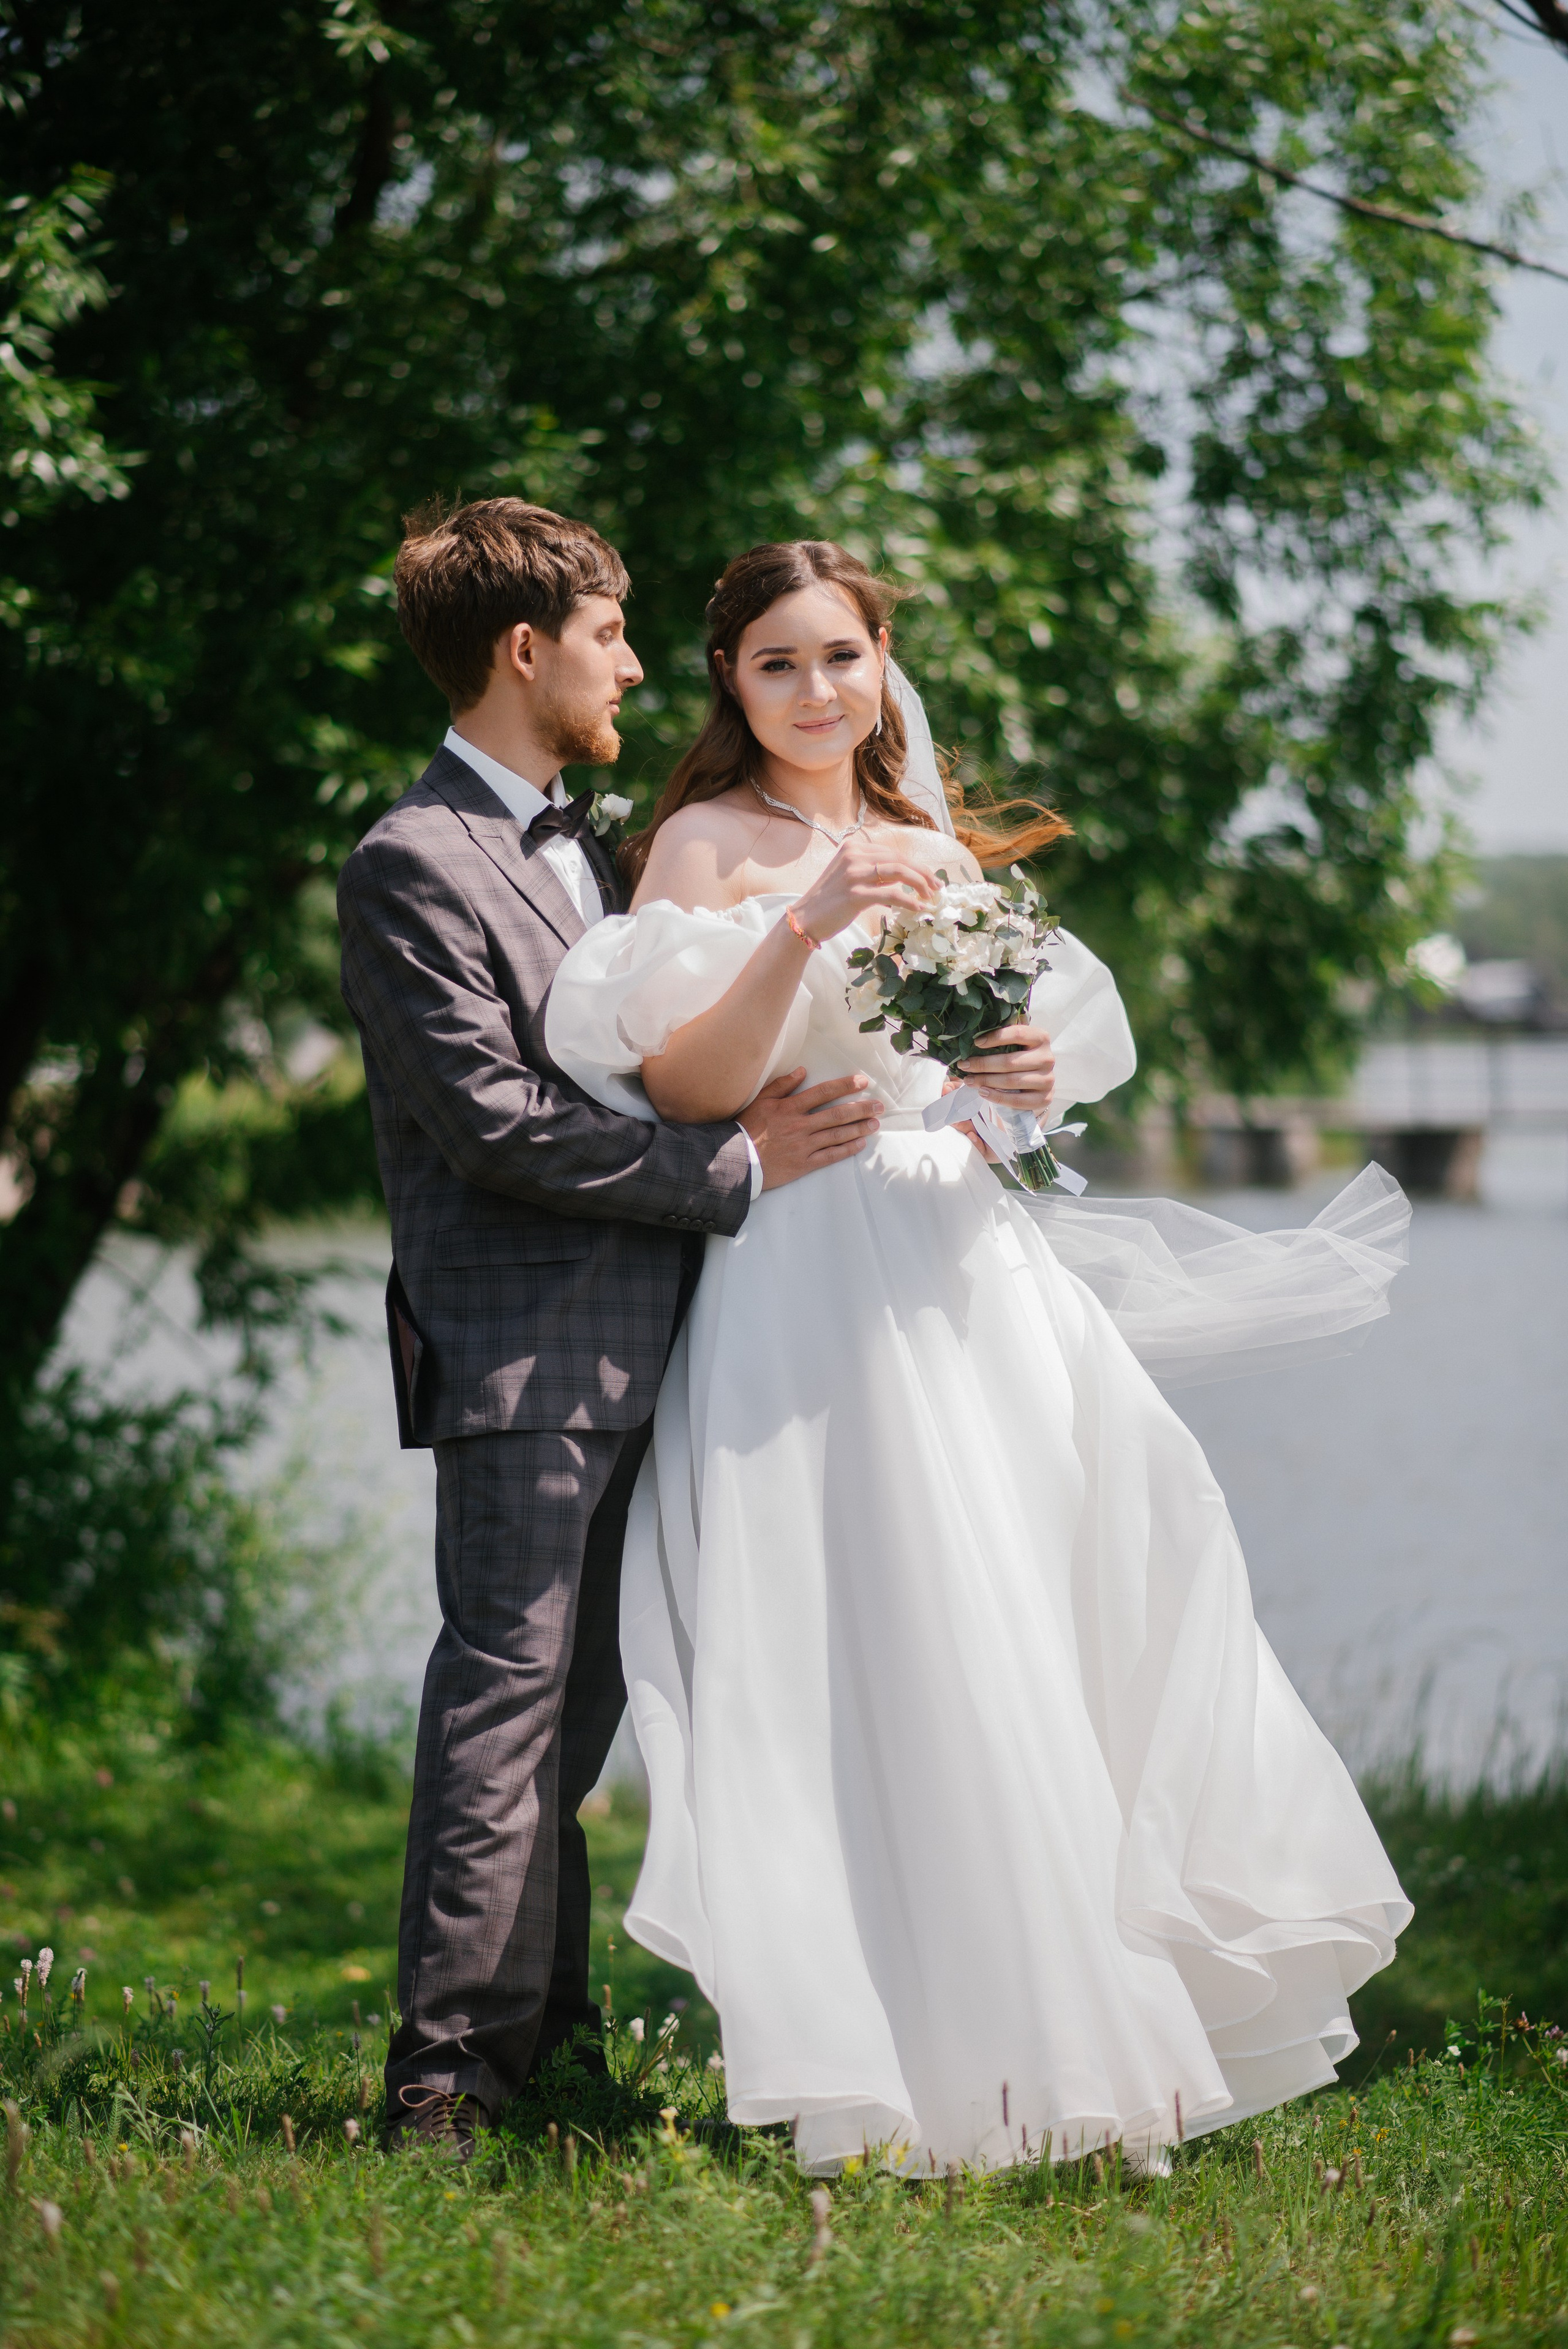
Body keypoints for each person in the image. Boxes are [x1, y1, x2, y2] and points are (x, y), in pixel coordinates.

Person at [543, 537, 1413, 2175]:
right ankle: (889, 2076)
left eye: (841, 657)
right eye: (777, 663)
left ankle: (1086, 2064)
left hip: (965, 1268)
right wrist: (798, 925)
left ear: (885, 667)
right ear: (731, 684)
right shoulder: (701, 847)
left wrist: (1012, 1076)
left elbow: (1002, 1083)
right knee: (858, 1645)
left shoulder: (932, 846)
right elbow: (680, 1079)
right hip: (803, 1269)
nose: (815, 689)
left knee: (1037, 1625)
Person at [334, 502, 1063, 2155]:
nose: (636, 663)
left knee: (581, 1722)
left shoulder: (585, 846)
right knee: (507, 1704)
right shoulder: (409, 861)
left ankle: (551, 2044)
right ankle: (444, 2079)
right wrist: (734, 1162)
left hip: (679, 1331)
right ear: (528, 649)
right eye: (610, 632)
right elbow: (497, 1123)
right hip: (528, 1346)